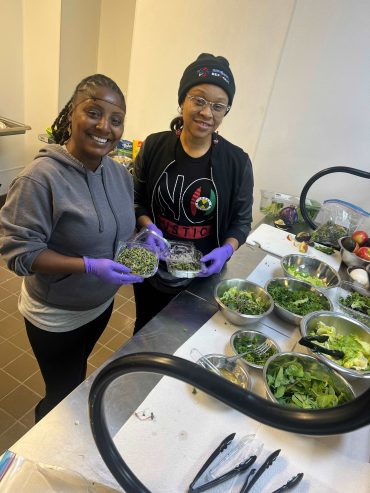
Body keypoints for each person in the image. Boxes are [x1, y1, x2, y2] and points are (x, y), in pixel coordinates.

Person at [0, 74, 144, 422]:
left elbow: (120, 223)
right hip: (56, 315)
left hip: (100, 305)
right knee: (62, 396)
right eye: (93, 112)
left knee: (76, 380)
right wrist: (89, 265)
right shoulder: (40, 178)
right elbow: (18, 254)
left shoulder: (119, 175)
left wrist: (143, 234)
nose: (104, 126)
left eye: (116, 120)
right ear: (71, 114)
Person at [133, 53, 254, 332]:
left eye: (218, 106)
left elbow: (241, 220)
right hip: (155, 270)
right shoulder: (154, 146)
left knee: (187, 339)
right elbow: (136, 199)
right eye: (198, 100)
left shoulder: (237, 162)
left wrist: (226, 250)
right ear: (182, 101)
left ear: (226, 111)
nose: (206, 112)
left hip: (202, 275)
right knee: (144, 331)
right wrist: (149, 228)